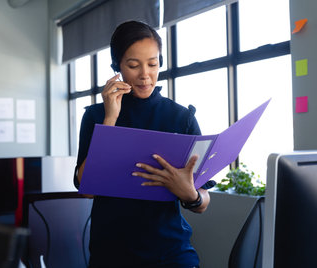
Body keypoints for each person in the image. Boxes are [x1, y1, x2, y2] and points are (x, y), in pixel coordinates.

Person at [73, 20, 215, 268]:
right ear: (117, 66)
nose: (145, 75)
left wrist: (189, 194)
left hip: (171, 254)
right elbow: (86, 188)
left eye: (153, 63)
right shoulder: (96, 116)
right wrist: (110, 119)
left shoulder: (181, 118)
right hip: (112, 255)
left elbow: (202, 202)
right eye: (133, 65)